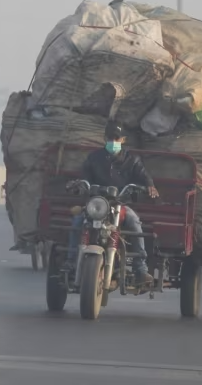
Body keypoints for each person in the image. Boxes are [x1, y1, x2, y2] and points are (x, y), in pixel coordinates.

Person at [65, 122, 159, 284]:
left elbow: (143, 175)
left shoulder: (132, 160)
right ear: (104, 138)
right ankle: (71, 260)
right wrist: (79, 185)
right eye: (110, 138)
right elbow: (85, 176)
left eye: (116, 138)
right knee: (78, 221)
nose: (113, 141)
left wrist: (149, 185)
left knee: (135, 223)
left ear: (123, 140)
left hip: (119, 204)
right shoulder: (94, 158)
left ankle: (140, 268)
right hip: (96, 203)